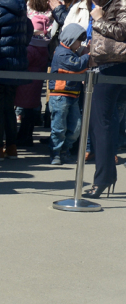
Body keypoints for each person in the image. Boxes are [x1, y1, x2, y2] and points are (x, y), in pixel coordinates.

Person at [0, 0, 33, 161]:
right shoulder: (20, 9)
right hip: (15, 65)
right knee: (8, 107)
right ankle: (11, 146)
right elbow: (29, 31)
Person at [84, 0, 126, 198]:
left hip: (115, 66)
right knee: (100, 123)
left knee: (101, 124)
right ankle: (106, 176)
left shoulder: (120, 3)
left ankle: (103, 179)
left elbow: (123, 31)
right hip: (103, 66)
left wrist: (99, 20)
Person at [47, 22, 88, 163]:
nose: (80, 44)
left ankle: (65, 149)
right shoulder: (62, 52)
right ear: (71, 39)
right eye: (79, 41)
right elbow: (77, 66)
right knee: (59, 127)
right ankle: (56, 152)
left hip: (72, 95)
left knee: (75, 128)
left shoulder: (71, 53)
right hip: (60, 95)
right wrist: (88, 55)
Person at [15, 0, 53, 147]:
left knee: (20, 104)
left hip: (29, 53)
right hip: (43, 52)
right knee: (32, 104)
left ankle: (20, 138)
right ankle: (26, 136)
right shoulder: (51, 11)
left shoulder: (27, 8)